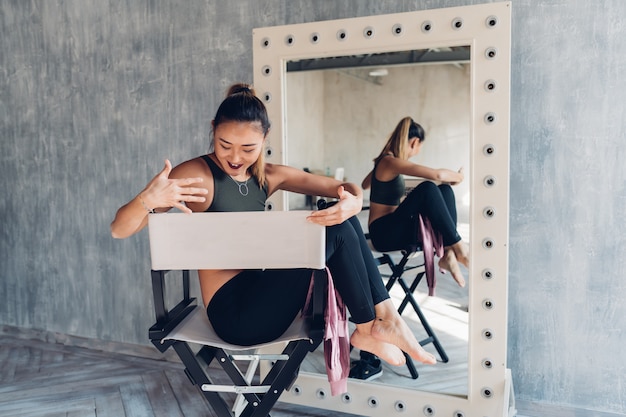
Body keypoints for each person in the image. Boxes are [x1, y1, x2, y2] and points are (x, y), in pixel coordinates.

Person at [110, 84, 436, 374]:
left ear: (265, 138)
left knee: (342, 216)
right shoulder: (197, 175)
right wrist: (146, 200)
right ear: (213, 131)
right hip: (235, 315)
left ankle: (378, 321)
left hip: (267, 294)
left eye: (248, 149)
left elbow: (346, 186)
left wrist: (353, 200)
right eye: (225, 145)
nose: (236, 158)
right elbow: (119, 230)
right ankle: (374, 324)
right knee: (334, 229)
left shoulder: (270, 177)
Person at [362, 116, 469, 287]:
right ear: (415, 142)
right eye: (420, 147)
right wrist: (459, 176)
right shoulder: (389, 162)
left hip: (393, 228)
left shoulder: (386, 161)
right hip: (383, 234)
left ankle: (448, 252)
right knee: (428, 188)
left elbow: (365, 184)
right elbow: (437, 175)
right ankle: (460, 247)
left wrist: (380, 165)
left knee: (445, 190)